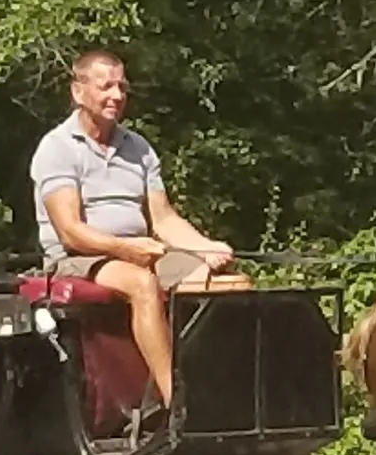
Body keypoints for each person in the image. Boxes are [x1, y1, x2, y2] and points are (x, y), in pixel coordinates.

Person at [31, 47, 244, 413]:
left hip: (139, 251)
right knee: (142, 284)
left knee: (231, 284)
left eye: (122, 87)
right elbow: (70, 232)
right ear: (78, 91)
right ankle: (177, 405)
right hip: (79, 258)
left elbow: (163, 219)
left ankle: (224, 391)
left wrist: (207, 247)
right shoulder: (57, 148)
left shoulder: (139, 148)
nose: (117, 96)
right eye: (106, 86)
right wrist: (125, 250)